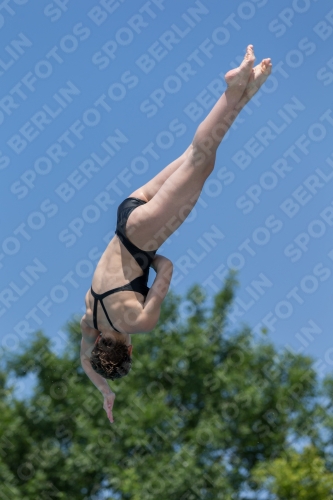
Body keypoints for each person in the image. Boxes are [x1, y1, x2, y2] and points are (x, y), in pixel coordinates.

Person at [80, 45, 272, 424]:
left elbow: (166, 269)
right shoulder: (89, 319)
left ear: (129, 352)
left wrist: (153, 262)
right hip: (127, 214)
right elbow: (85, 360)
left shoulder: (137, 322)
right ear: (102, 344)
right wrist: (104, 391)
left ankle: (232, 89)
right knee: (194, 156)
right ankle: (242, 94)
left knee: (201, 162)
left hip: (146, 235)